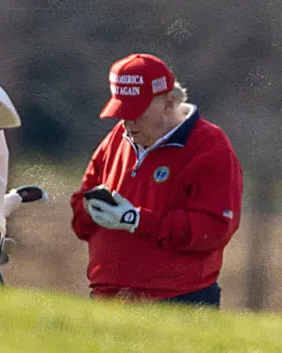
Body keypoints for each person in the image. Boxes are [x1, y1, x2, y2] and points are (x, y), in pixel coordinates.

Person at [70, 53, 243, 308]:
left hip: (177, 300)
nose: (128, 121)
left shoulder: (209, 145)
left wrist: (137, 220)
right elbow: (80, 210)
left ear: (168, 103)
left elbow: (215, 228)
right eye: (121, 112)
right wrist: (91, 209)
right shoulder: (118, 137)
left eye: (136, 112)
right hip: (106, 297)